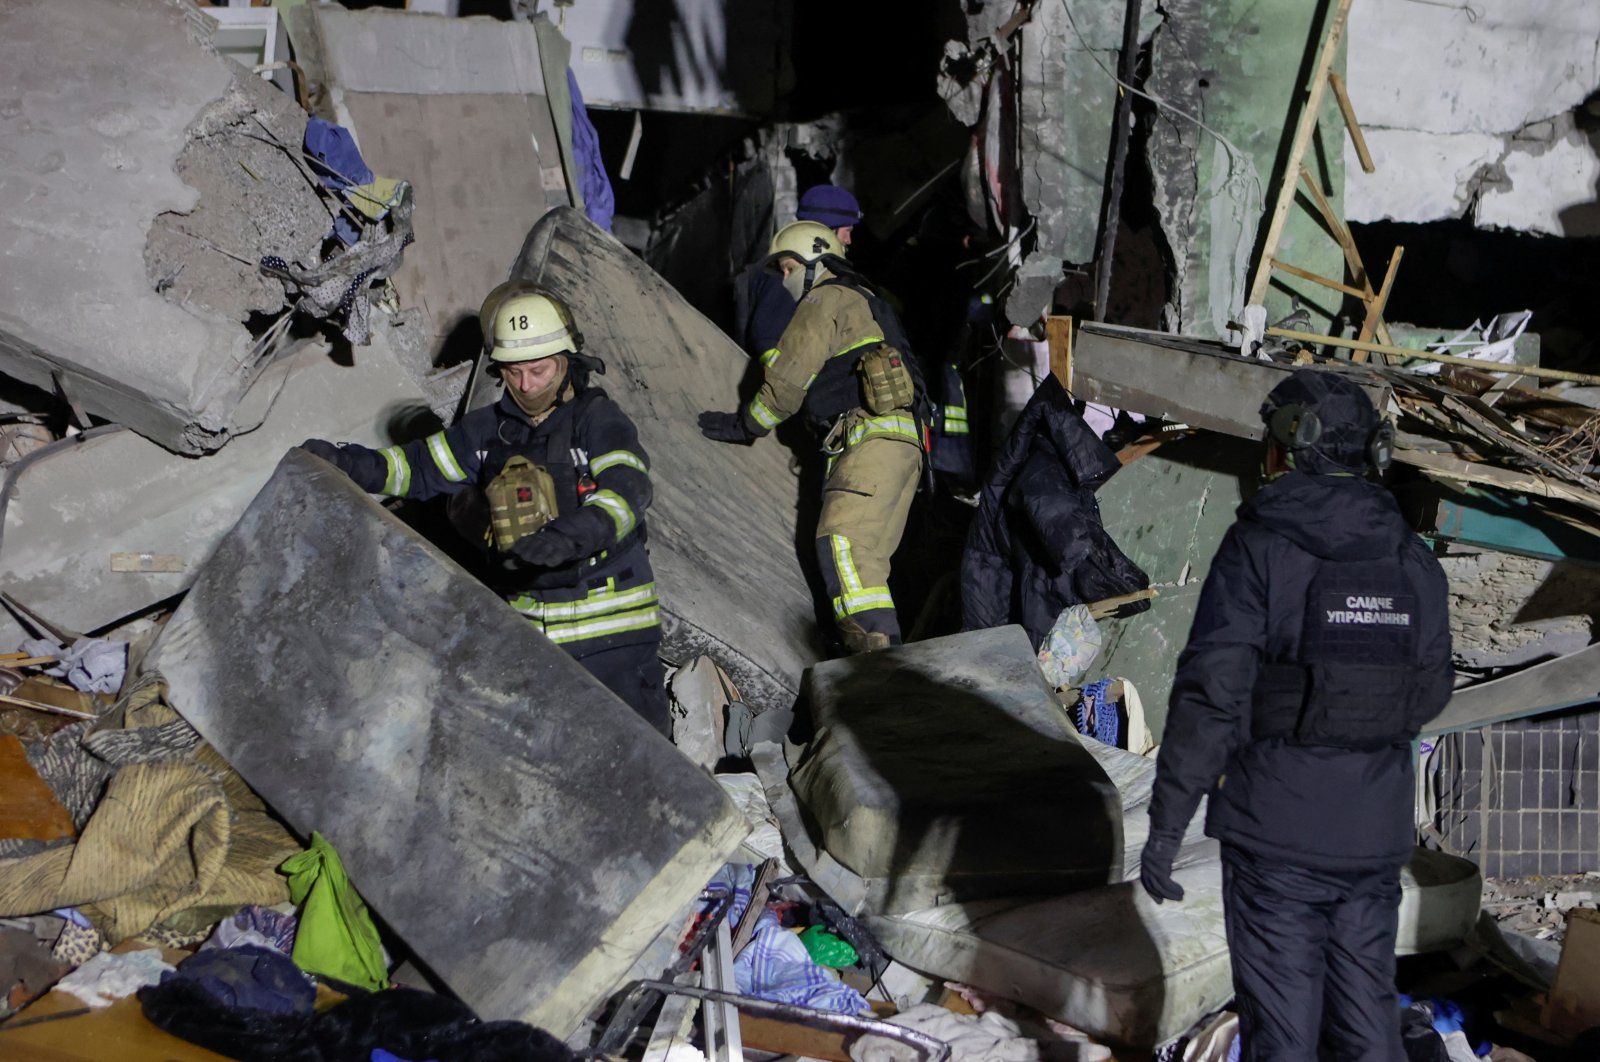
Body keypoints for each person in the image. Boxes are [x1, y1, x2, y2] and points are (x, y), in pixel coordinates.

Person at [1138, 369, 1455, 1060]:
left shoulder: (1258, 546)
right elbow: (1431, 689)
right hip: (1374, 833)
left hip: (1277, 834)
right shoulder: (1412, 558)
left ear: (1288, 444)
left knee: (1283, 1035)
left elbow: (1212, 692)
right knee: (1367, 1027)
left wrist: (1167, 821)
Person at [300, 284, 671, 736]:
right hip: (533, 634)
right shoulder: (485, 432)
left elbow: (628, 487)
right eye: (514, 373)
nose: (527, 385)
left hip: (613, 629)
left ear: (567, 363)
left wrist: (574, 534)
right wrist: (351, 462)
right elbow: (418, 468)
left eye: (540, 371)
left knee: (639, 749)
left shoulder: (598, 421)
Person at [699, 221, 927, 653]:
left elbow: (786, 381)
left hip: (869, 444)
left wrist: (746, 424)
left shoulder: (825, 297)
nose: (783, 279)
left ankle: (875, 675)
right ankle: (880, 665)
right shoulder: (870, 301)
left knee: (843, 546)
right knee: (869, 567)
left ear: (812, 263)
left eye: (787, 267)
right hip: (904, 449)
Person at [735, 184, 864, 359]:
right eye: (847, 231)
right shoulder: (784, 279)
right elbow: (768, 344)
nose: (848, 240)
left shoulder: (801, 273)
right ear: (827, 231)